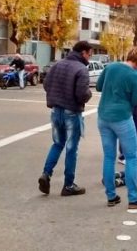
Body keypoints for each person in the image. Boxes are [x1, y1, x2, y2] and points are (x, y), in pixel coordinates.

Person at [96, 47, 137, 209]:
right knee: (131, 157)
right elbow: (136, 101)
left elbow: (99, 87)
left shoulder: (110, 67)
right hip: (122, 118)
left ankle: (111, 196)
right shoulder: (135, 76)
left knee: (109, 157)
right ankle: (133, 198)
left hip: (103, 116)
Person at [38, 41, 93, 196]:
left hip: (56, 110)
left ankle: (46, 173)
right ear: (83, 53)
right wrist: (88, 94)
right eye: (89, 54)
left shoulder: (57, 65)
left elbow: (46, 84)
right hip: (72, 112)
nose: (89, 57)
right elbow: (82, 94)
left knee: (57, 144)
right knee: (71, 148)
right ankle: (68, 185)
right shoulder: (81, 69)